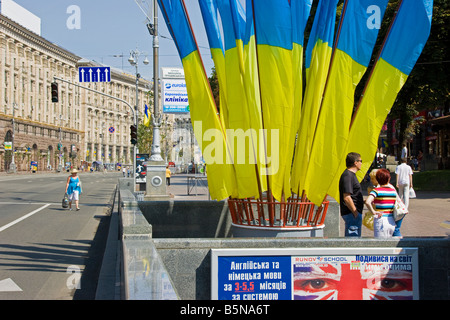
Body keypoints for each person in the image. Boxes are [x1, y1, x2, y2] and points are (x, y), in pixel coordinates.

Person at [365, 169, 397, 238]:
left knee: (380, 244)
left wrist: (373, 211)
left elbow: (368, 202)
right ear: (389, 179)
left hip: (381, 218)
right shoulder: (393, 191)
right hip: (391, 219)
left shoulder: (376, 191)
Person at [339, 152, 364, 237]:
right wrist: (355, 212)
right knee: (353, 241)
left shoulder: (350, 175)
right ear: (355, 162)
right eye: (361, 161)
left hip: (353, 213)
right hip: (351, 214)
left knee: (354, 239)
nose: (361, 163)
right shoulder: (348, 176)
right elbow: (347, 197)